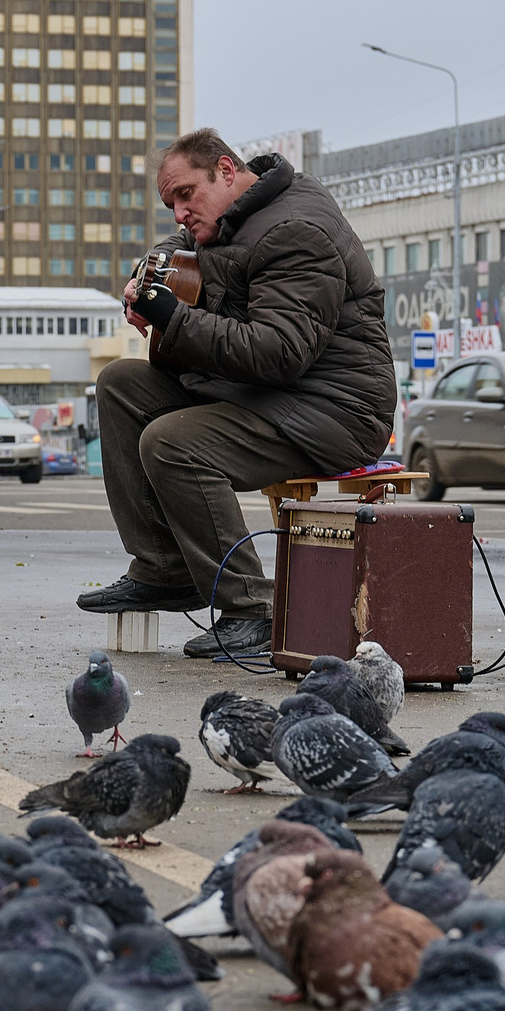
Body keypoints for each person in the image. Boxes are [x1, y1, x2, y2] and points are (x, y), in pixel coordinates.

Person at [87, 128, 393, 660]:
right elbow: (177, 246)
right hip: (273, 396)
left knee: (172, 442)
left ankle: (250, 608)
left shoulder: (295, 230)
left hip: (334, 409)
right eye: (170, 203)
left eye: (186, 195)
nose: (180, 213)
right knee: (119, 384)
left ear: (227, 172)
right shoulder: (235, 215)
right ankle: (164, 570)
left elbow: (280, 351)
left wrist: (173, 318)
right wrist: (149, 277)